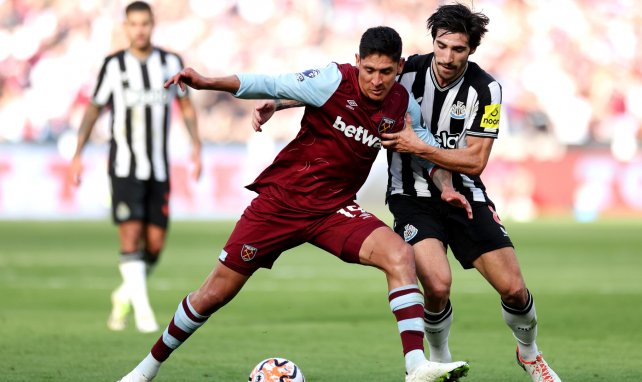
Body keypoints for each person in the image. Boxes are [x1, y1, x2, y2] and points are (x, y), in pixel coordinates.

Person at [117, 26, 471, 382]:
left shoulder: (401, 106)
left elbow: (425, 148)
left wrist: (445, 186)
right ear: (357, 61)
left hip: (334, 210)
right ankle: (146, 369)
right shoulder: (332, 80)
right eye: (369, 70)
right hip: (281, 203)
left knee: (400, 255)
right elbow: (270, 83)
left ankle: (415, 366)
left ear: (399, 68)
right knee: (213, 294)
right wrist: (206, 81)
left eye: (386, 72)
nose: (377, 81)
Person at [379, 4, 562, 382]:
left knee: (513, 289)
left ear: (471, 50)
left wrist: (418, 146)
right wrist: (281, 100)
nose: (446, 57)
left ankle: (529, 354)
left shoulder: (487, 90)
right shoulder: (404, 71)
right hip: (410, 197)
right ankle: (440, 359)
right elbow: (346, 84)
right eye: (441, 46)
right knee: (437, 283)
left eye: (457, 49)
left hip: (465, 192)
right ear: (433, 41)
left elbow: (475, 161)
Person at [70, 1, 202, 333]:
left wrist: (196, 146)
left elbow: (185, 106)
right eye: (133, 24)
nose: (139, 29)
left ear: (152, 25)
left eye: (144, 23)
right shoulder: (113, 66)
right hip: (124, 167)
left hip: (158, 168)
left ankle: (125, 293)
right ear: (126, 27)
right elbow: (93, 109)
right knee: (129, 237)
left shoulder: (170, 62)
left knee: (154, 245)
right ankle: (143, 314)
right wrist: (77, 153)